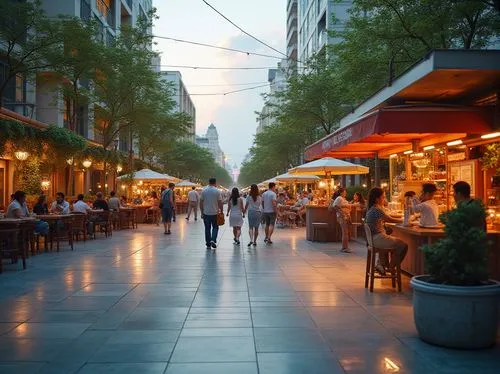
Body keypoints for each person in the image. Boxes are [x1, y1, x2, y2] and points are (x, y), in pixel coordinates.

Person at [365, 187, 408, 275]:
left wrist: (401, 219)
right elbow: (389, 219)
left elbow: (387, 218)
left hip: (373, 239)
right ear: (377, 199)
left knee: (391, 237)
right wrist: (404, 221)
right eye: (383, 197)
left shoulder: (373, 208)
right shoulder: (376, 209)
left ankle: (383, 264)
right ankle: (391, 267)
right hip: (377, 239)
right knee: (403, 245)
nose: (384, 199)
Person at [200, 178, 223, 249]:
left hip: (206, 213)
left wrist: (201, 212)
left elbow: (201, 202)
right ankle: (213, 239)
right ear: (215, 183)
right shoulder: (217, 191)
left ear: (208, 182)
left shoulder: (204, 190)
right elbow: (220, 202)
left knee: (207, 228)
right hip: (215, 213)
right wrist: (221, 211)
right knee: (215, 227)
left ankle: (208, 243)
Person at [333, 187, 352, 253]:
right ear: (341, 192)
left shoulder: (343, 199)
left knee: (346, 232)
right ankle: (344, 248)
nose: (346, 193)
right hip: (342, 217)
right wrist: (342, 213)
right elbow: (335, 206)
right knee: (345, 232)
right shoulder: (339, 198)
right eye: (344, 192)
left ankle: (345, 247)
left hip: (345, 217)